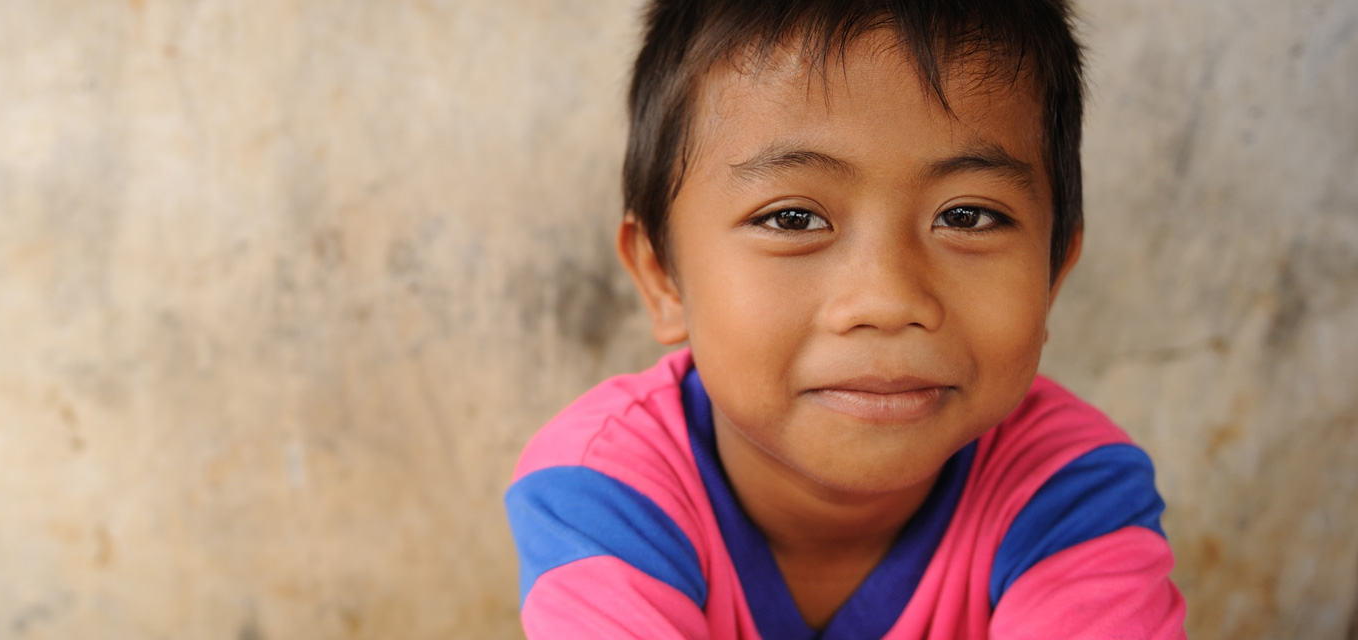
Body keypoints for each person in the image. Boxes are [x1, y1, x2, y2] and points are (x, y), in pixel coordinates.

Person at [503, 0, 1188, 637]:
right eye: (793, 218)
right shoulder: (604, 491)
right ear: (663, 277)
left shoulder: (1071, 494)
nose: (888, 300)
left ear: (1053, 274)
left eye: (967, 215)